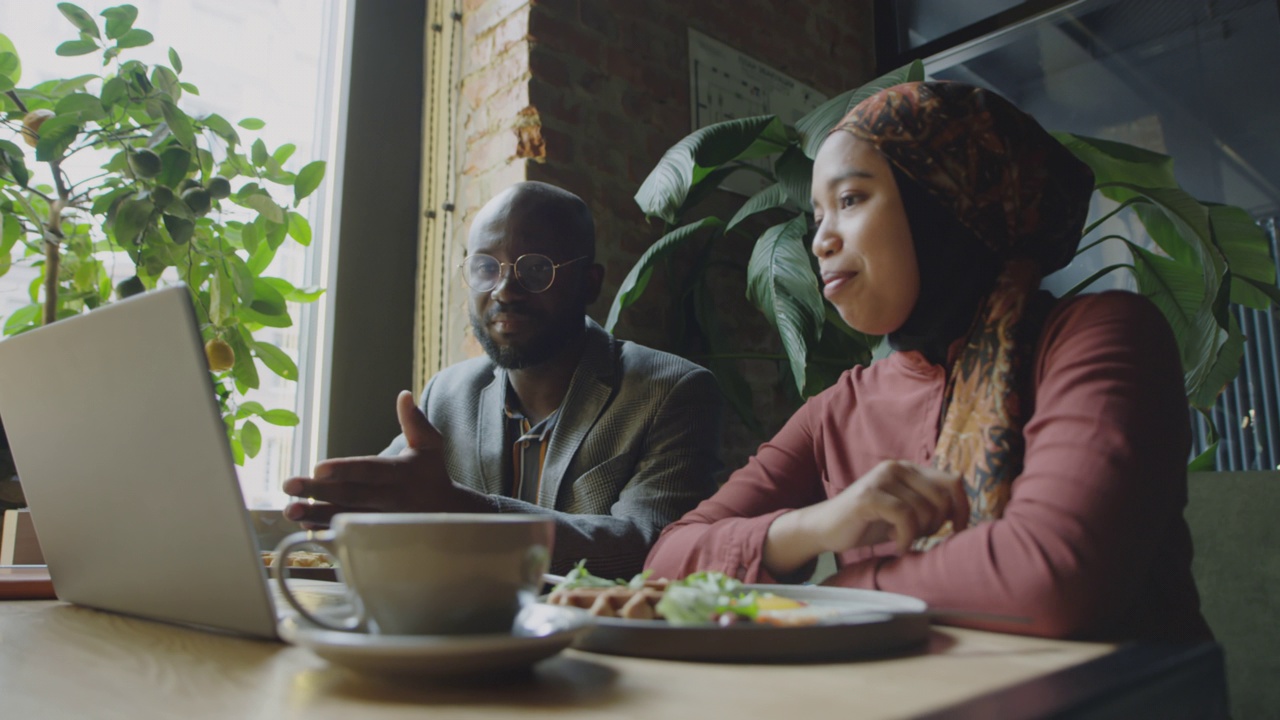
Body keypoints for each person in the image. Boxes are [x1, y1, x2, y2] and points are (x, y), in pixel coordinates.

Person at [644, 82, 1212, 642]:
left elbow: (1049, 577)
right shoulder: (841, 406)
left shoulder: (1099, 336)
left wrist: (851, 587)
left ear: (949, 202)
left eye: (850, 200)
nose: (819, 241)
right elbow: (666, 563)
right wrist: (815, 526)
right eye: (817, 216)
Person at [284, 181, 722, 577]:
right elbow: (398, 497)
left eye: (536, 269)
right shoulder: (446, 394)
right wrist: (345, 506)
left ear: (590, 284)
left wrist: (462, 510)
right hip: (457, 638)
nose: (505, 290)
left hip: (593, 652)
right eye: (485, 267)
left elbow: (654, 550)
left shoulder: (672, 391)